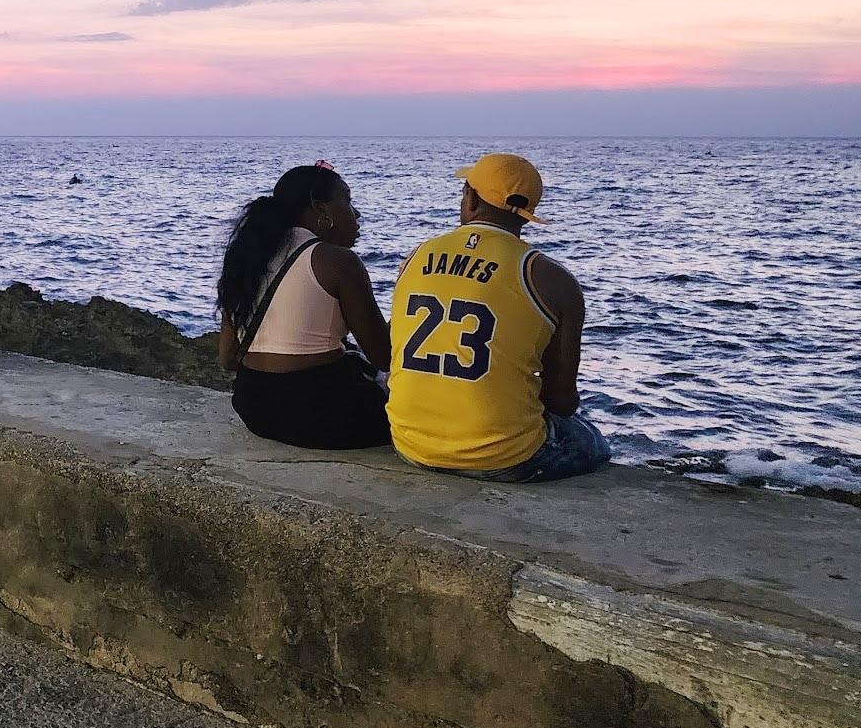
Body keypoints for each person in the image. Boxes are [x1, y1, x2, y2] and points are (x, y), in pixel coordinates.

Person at [387, 154, 610, 483]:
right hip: (501, 459)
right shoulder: (551, 278)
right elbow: (562, 401)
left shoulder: (417, 256)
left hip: (410, 444)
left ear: (471, 198)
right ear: (528, 214)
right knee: (593, 442)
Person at [215, 163, 392, 449]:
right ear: (320, 210)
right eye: (348, 202)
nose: (356, 214)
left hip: (253, 406)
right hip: (322, 415)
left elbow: (227, 360)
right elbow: (384, 356)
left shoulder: (248, 258)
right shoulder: (337, 262)